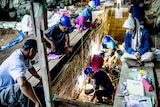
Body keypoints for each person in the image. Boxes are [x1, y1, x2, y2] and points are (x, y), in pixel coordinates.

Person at [0, 39, 43, 107]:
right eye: (36, 52)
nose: (35, 54)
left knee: (36, 90)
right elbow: (23, 84)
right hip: (2, 93)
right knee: (22, 89)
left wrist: (39, 77)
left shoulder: (22, 54)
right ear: (31, 50)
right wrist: (36, 102)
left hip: (8, 88)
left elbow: (31, 68)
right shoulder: (16, 61)